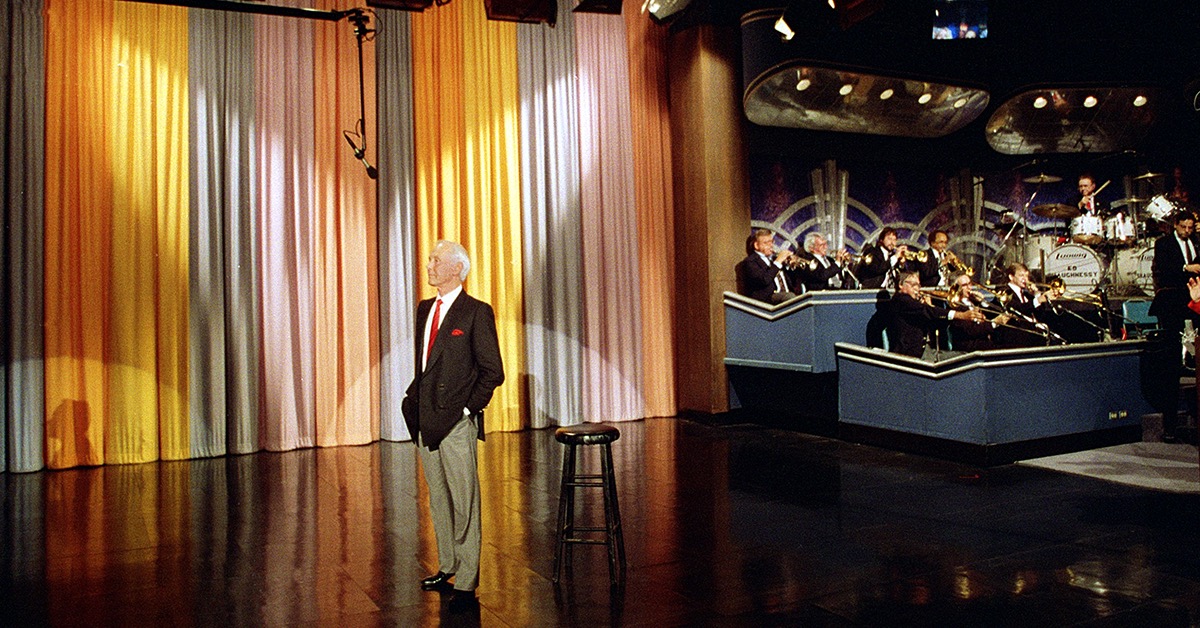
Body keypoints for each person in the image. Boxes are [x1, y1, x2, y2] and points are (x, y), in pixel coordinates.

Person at [402, 239, 505, 610]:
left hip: (456, 423)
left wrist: (466, 411)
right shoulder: (424, 308)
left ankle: (466, 580)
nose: (429, 265)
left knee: (464, 502)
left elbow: (493, 371)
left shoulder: (476, 312)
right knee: (439, 499)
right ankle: (447, 566)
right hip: (425, 419)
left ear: (457, 268)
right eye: (430, 259)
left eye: (435, 260)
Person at [1148, 211, 1200, 439]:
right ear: (1175, 225)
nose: (1187, 231)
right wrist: (1186, 268)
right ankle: (1170, 424)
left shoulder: (1196, 242)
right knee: (1171, 364)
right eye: (1183, 227)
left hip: (1195, 304)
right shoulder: (1164, 244)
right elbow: (1165, 269)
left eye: (1190, 227)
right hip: (1173, 305)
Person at [885, 271, 982, 358]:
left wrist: (930, 306)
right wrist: (960, 315)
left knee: (964, 357)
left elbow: (934, 323)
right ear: (900, 285)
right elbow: (926, 310)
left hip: (926, 351)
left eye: (918, 285)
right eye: (913, 285)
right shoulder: (901, 299)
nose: (917, 289)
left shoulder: (915, 305)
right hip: (910, 354)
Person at [994, 263, 1060, 347]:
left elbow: (1040, 314)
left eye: (1027, 276)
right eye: (1021, 275)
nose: (1025, 279)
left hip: (1034, 336)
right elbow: (1018, 309)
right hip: (1016, 339)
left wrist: (1036, 294)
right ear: (1011, 277)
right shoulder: (1004, 291)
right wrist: (1039, 299)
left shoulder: (1027, 295)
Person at [946, 272, 1010, 352]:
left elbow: (993, 314)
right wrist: (993, 323)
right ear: (955, 288)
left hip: (983, 342)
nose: (969, 287)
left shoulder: (973, 301)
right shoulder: (954, 306)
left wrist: (983, 302)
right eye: (964, 285)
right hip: (968, 347)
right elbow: (970, 330)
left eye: (970, 283)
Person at [737, 229, 799, 303]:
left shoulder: (774, 259)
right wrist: (778, 262)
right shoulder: (750, 261)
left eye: (771, 242)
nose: (771, 245)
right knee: (790, 297)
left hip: (786, 294)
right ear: (756, 245)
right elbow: (764, 280)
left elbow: (792, 282)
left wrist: (790, 266)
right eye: (766, 243)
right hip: (767, 299)